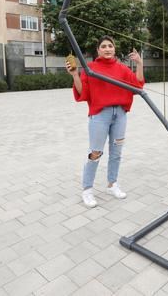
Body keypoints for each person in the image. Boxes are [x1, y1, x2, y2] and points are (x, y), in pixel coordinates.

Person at [67, 35, 144, 208]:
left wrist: (139, 64)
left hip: (120, 115)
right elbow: (83, 93)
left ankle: (112, 184)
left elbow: (138, 86)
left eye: (110, 46)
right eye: (104, 46)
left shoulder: (122, 69)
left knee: (116, 152)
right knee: (95, 153)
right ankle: (87, 190)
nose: (107, 49)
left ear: (114, 49)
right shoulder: (91, 68)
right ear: (98, 50)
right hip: (100, 115)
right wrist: (74, 75)